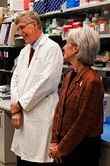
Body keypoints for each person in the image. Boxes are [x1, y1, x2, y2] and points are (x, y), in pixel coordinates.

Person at [10, 11, 63, 165]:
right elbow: (15, 81)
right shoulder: (24, 51)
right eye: (18, 30)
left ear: (34, 25)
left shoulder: (52, 48)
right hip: (22, 117)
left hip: (41, 116)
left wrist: (20, 105)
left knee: (39, 160)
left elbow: (46, 84)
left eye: (22, 28)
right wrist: (17, 109)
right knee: (23, 159)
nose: (20, 33)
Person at [49, 28, 104, 166]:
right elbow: (59, 109)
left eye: (66, 43)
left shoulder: (92, 81)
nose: (63, 47)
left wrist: (61, 148)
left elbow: (83, 123)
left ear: (75, 49)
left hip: (81, 149)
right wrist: (54, 141)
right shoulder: (69, 76)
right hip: (63, 145)